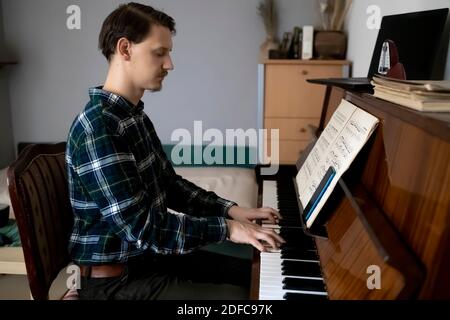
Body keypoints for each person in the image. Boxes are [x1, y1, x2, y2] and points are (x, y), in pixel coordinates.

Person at [66, 2, 284, 300]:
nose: (170, 64)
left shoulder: (133, 117)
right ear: (125, 49)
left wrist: (231, 210)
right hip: (116, 282)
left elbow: (169, 185)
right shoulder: (100, 127)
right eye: (159, 53)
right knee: (244, 300)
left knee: (255, 276)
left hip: (150, 260)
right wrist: (228, 229)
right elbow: (143, 228)